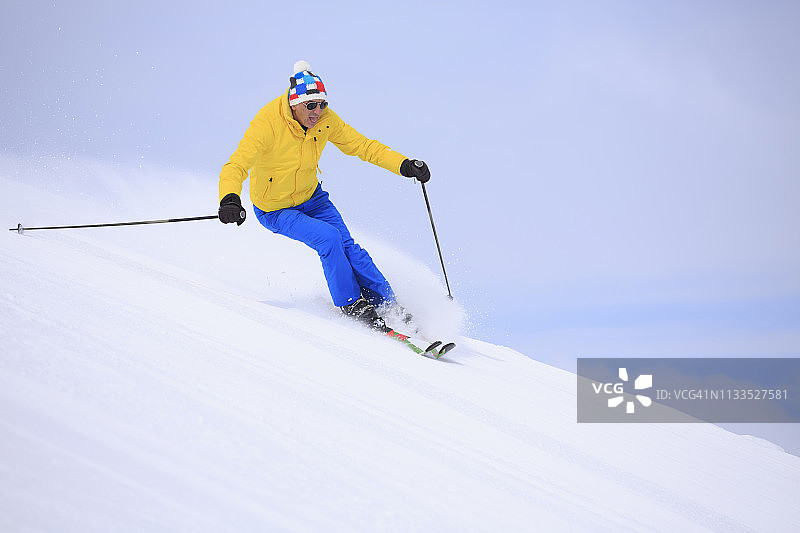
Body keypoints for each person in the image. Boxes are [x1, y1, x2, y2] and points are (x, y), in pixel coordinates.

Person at [218, 60, 431, 332]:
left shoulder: (325, 121)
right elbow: (236, 164)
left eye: (323, 104)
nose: (318, 111)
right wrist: (230, 198)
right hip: (275, 208)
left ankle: (388, 305)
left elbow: (363, 146)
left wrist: (404, 164)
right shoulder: (267, 123)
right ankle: (351, 302)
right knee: (329, 239)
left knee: (349, 247)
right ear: (294, 103)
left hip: (312, 197)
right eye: (311, 105)